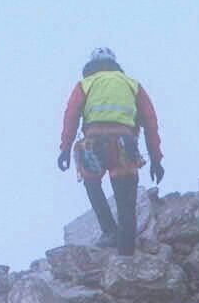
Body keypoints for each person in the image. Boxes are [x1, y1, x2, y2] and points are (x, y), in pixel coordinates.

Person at [57, 49, 163, 252]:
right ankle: (126, 256)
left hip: (93, 145)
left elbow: (71, 116)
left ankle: (109, 230)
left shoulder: (85, 84)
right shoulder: (132, 85)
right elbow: (150, 122)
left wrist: (65, 149)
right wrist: (156, 159)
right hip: (124, 146)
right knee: (126, 204)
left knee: (91, 183)